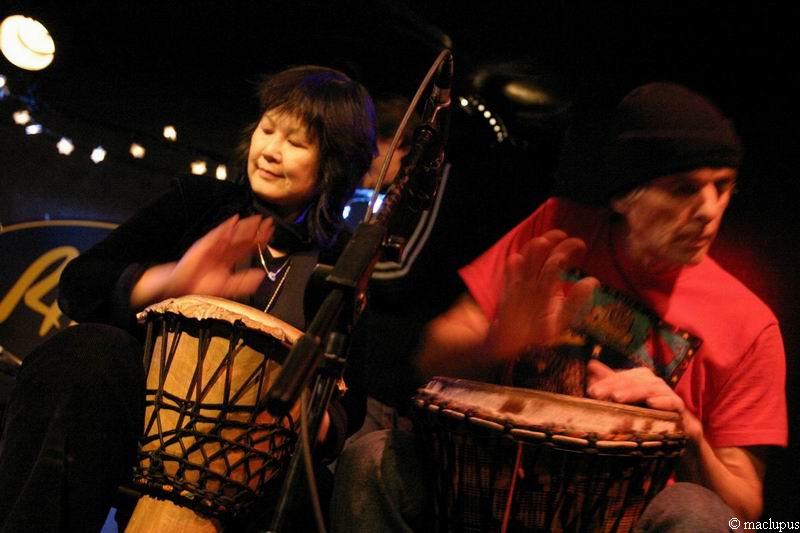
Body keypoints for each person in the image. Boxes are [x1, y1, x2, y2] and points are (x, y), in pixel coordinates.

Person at [331, 82, 787, 531]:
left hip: (626, 515)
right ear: (626, 196)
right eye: (684, 189)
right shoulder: (559, 229)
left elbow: (746, 516)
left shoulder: (749, 325)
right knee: (371, 457)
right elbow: (430, 357)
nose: (710, 208)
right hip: (495, 484)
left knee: (697, 512)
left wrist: (687, 432)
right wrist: (498, 341)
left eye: (723, 186)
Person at [0, 65, 376, 532]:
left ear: (335, 165)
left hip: (253, 467)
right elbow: (79, 285)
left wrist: (311, 414)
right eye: (267, 129)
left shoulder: (344, 264)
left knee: (313, 492)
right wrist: (169, 281)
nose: (270, 151)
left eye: (296, 143)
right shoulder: (198, 203)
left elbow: (348, 408)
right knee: (87, 353)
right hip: (137, 428)